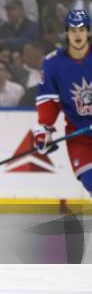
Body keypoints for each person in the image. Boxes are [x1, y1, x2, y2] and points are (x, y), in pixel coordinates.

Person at [34, 10, 92, 194]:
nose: (77, 34)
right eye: (73, 29)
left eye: (82, 29)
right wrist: (45, 130)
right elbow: (48, 102)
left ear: (88, 32)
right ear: (66, 32)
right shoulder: (53, 64)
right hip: (80, 136)